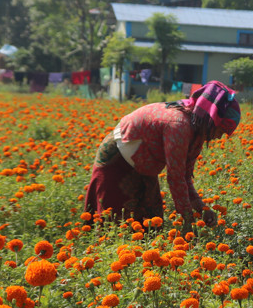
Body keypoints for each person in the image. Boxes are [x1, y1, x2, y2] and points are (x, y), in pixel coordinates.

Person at [84, 80, 240, 230]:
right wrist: (188, 218)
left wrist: (201, 208)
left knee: (151, 223)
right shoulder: (179, 125)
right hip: (117, 162)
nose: (219, 137)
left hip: (143, 166)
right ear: (210, 121)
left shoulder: (197, 131)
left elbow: (184, 176)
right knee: (113, 224)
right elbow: (175, 177)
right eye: (220, 131)